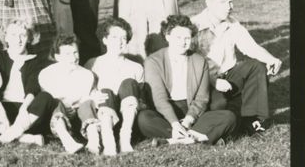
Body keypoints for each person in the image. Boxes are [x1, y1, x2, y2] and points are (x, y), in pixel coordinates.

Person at [192, 0, 283, 135]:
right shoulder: (194, 25)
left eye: (231, 2)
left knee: (256, 66)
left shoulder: (232, 23)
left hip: (229, 75)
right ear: (208, 2)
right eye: (223, 2)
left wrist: (271, 59)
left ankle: (251, 119)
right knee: (219, 106)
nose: (229, 7)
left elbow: (251, 47)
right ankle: (232, 117)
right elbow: (191, 65)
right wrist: (213, 81)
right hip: (204, 79)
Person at [137, 15, 237, 145]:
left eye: (187, 38)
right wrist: (175, 123)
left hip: (190, 109)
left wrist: (188, 120)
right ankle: (196, 136)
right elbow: (159, 98)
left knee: (229, 116)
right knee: (144, 119)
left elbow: (202, 98)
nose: (182, 42)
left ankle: (173, 140)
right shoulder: (153, 61)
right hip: (164, 111)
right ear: (167, 36)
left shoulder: (199, 61)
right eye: (178, 37)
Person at [0, 21, 56, 147]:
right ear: (6, 37)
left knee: (46, 98)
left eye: (22, 35)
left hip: (27, 112)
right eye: (13, 35)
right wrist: (1, 112)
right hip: (0, 110)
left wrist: (24, 109)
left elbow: (32, 87)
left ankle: (5, 137)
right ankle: (20, 135)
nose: (18, 40)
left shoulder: (35, 60)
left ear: (29, 38)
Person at [85, 18, 144, 155]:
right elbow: (84, 94)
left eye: (124, 38)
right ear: (105, 40)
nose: (120, 42)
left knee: (128, 83)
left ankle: (125, 138)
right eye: (114, 37)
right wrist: (94, 96)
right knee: (106, 92)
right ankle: (109, 142)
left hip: (128, 119)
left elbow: (140, 98)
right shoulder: (93, 64)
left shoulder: (136, 67)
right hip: (104, 118)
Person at [37, 35, 101, 154]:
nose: (73, 57)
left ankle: (94, 141)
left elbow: (86, 98)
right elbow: (51, 100)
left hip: (79, 119)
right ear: (57, 56)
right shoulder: (46, 74)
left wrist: (86, 101)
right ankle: (68, 142)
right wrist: (69, 105)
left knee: (87, 104)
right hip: (55, 120)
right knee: (57, 103)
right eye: (67, 54)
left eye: (75, 52)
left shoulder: (87, 75)